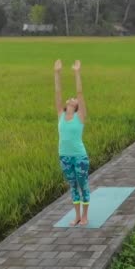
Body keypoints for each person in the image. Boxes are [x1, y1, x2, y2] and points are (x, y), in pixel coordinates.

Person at [54, 59, 90, 226]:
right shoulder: (61, 115)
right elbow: (58, 94)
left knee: (83, 185)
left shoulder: (80, 117)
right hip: (64, 156)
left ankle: (85, 216)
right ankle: (76, 216)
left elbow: (80, 93)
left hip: (79, 157)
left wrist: (77, 73)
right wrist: (57, 73)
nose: (71, 98)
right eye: (71, 99)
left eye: (73, 99)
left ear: (76, 106)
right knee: (73, 186)